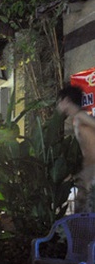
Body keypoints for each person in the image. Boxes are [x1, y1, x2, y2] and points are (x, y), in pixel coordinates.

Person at [56, 84, 95, 213]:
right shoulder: (77, 118)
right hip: (89, 168)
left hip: (92, 168)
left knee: (85, 209)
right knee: (82, 206)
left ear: (66, 100)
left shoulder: (81, 117)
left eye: (59, 102)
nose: (58, 106)